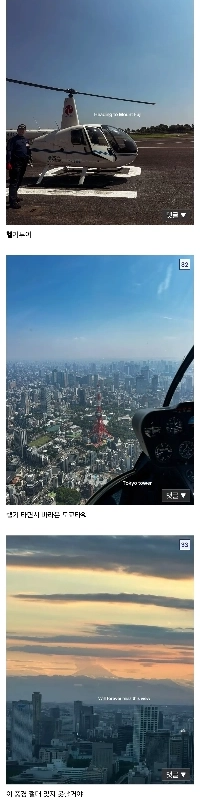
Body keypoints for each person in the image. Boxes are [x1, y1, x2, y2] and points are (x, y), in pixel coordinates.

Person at [6, 124, 32, 208]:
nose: (22, 131)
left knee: (19, 180)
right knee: (14, 181)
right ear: (17, 130)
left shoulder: (26, 140)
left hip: (23, 162)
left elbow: (28, 150)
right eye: (20, 129)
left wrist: (29, 159)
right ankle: (12, 202)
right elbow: (9, 151)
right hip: (15, 162)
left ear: (25, 131)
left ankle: (14, 197)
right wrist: (8, 162)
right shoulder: (12, 140)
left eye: (23, 129)